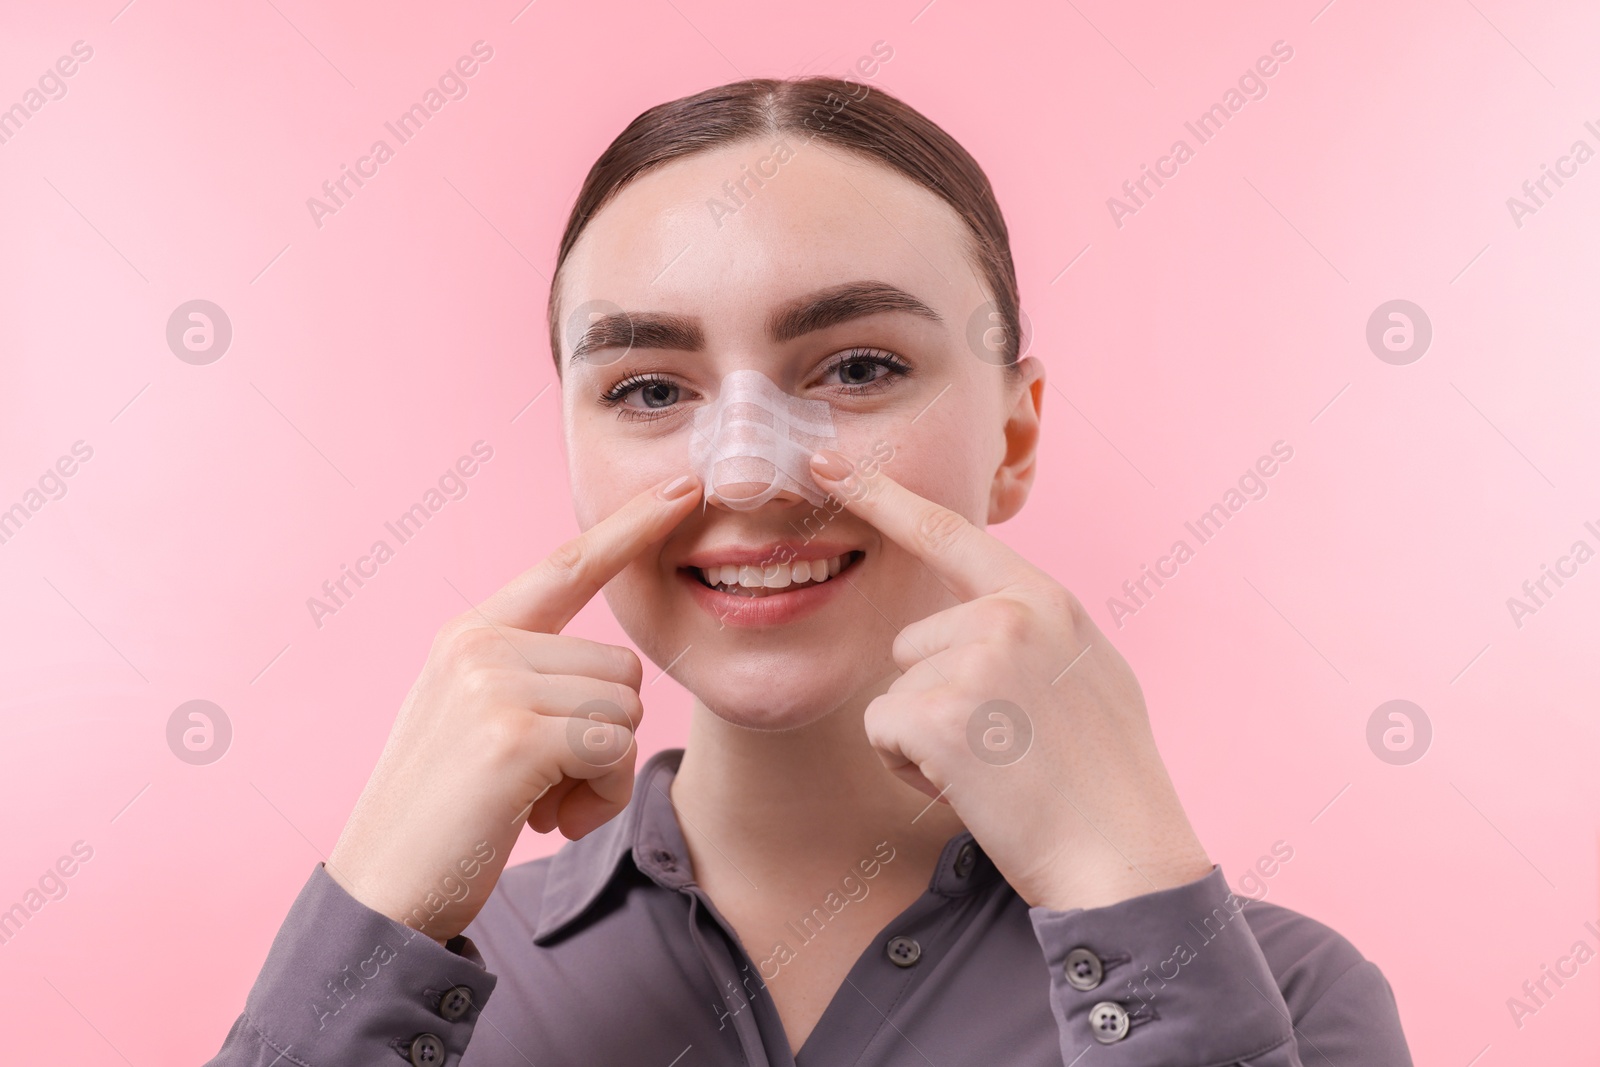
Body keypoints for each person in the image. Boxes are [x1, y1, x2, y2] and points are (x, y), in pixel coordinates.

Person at [206, 75, 1412, 1066]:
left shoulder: (1287, 999)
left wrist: (1132, 889)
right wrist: (365, 923)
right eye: (650, 389)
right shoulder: (413, 996)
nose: (747, 476)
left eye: (857, 369)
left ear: (1016, 436)